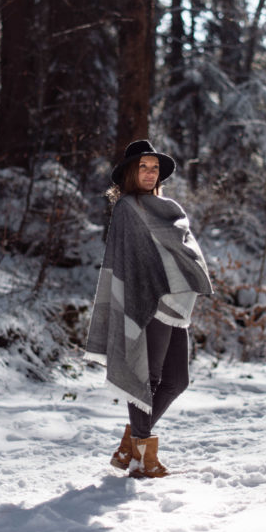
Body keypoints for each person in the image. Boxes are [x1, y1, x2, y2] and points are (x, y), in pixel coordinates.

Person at [86, 139, 213, 478]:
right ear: (131, 172)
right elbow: (134, 260)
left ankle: (130, 445)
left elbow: (182, 252)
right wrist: (151, 288)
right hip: (147, 301)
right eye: (143, 166)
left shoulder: (169, 208)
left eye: (154, 168)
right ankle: (144, 458)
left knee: (177, 381)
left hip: (176, 304)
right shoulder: (128, 208)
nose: (149, 172)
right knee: (148, 378)